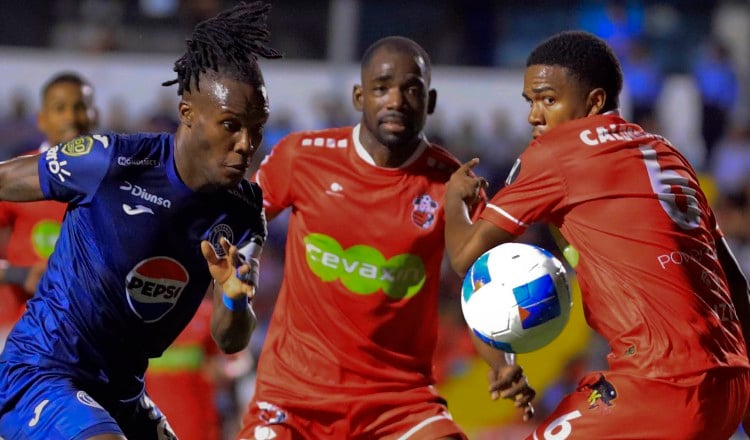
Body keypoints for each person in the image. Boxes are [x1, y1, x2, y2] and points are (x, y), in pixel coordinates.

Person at [443, 30, 750, 439]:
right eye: (530, 102)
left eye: (548, 100)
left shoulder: (556, 153)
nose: (535, 115)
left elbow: (466, 259)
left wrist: (452, 200)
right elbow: (736, 286)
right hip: (730, 383)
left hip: (659, 382)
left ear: (594, 101)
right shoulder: (667, 153)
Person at [0, 2, 280, 439]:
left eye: (257, 128)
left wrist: (233, 297)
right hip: (44, 372)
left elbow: (231, 339)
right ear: (188, 112)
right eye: (231, 125)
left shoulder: (243, 213)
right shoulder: (113, 162)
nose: (247, 144)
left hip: (122, 392)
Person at [238, 36, 534, 440]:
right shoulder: (302, 157)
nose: (395, 100)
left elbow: (481, 287)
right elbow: (236, 219)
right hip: (294, 397)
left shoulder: (454, 185)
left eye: (410, 89)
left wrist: (501, 363)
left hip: (398, 402)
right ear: (360, 96)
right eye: (381, 88)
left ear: (429, 102)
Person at [0, 71, 98, 353]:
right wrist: (19, 274)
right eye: (60, 108)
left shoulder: (113, 181)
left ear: (95, 115)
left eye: (80, 106)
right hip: (23, 336)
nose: (71, 117)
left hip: (90, 340)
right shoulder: (17, 176)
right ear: (41, 119)